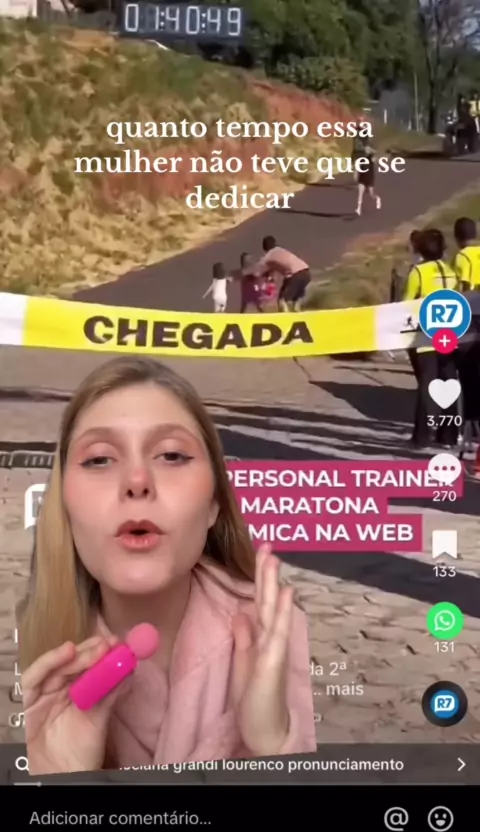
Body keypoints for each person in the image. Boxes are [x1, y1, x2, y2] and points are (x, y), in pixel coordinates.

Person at [18, 357, 316, 775]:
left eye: (172, 455)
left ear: (214, 504)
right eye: (99, 459)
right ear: (63, 503)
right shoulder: (29, 649)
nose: (137, 481)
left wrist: (276, 748)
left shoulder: (285, 639)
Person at [402, 229, 458, 448]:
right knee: (449, 383)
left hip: (426, 335)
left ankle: (421, 437)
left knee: (427, 385)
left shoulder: (418, 272)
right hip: (451, 335)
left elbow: (406, 304)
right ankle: (449, 436)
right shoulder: (451, 270)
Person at [248, 236, 311, 312]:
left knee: (282, 300)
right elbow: (276, 265)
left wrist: (250, 276)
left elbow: (257, 270)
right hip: (306, 272)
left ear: (264, 247)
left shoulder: (268, 256)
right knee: (296, 298)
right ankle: (298, 311)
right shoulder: (281, 250)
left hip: (295, 275)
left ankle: (285, 316)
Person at [452, 217, 480, 291]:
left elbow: (465, 284)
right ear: (475, 235)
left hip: (473, 296)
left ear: (456, 237)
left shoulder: (462, 256)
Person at [355, 144, 381, 217]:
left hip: (369, 178)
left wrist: (371, 150)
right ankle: (358, 208)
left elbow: (376, 155)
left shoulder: (371, 158)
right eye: (365, 150)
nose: (365, 151)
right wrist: (356, 176)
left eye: (367, 150)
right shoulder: (360, 159)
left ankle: (377, 199)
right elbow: (357, 168)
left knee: (371, 194)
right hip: (362, 178)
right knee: (360, 194)